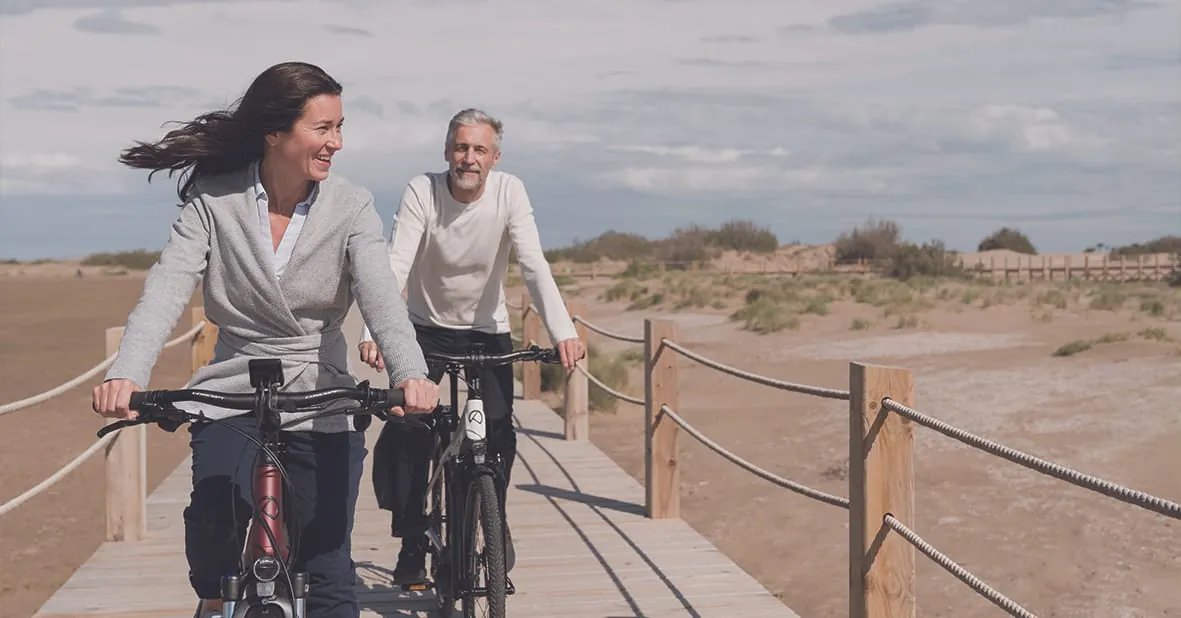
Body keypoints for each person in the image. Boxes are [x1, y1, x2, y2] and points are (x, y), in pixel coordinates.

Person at [90, 61, 439, 618]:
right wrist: (126, 373)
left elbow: (380, 297)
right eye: (323, 128)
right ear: (275, 132)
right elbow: (166, 287)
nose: (337, 143)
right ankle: (215, 600)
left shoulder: (352, 206)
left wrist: (410, 374)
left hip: (321, 394)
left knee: (328, 576)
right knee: (216, 541)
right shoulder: (213, 200)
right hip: (231, 389)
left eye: (340, 127)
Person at [356, 107, 585, 585]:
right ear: (447, 152)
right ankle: (413, 536)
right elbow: (395, 262)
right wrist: (374, 331)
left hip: (487, 330)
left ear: (494, 157)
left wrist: (562, 329)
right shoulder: (424, 190)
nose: (469, 158)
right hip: (424, 329)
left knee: (499, 433)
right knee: (409, 427)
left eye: (480, 149)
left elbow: (533, 264)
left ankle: (493, 523)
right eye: (461, 147)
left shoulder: (509, 192)